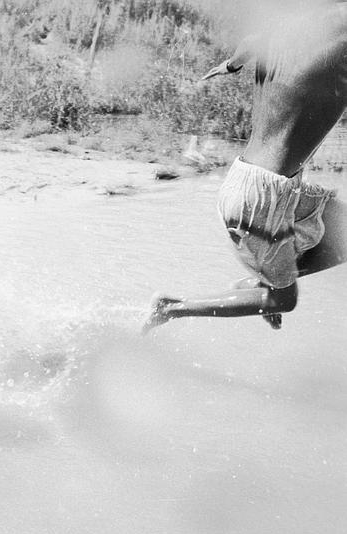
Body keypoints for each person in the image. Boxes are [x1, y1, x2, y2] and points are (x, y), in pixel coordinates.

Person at [143, 3, 347, 333]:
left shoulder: (285, 32)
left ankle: (259, 282)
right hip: (262, 197)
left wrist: (230, 64)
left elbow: (249, 45)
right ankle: (172, 308)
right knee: (283, 300)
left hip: (260, 186)